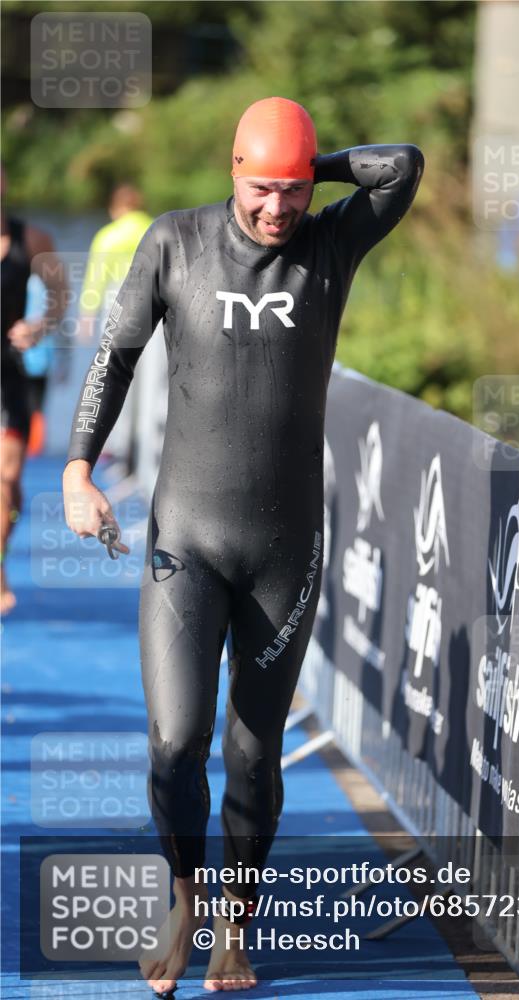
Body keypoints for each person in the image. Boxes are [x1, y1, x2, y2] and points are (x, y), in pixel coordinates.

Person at [62, 97, 423, 994]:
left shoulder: (330, 246)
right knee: (176, 740)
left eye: (292, 191)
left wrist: (313, 165)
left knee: (254, 752)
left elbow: (404, 164)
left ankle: (235, 928)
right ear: (231, 172)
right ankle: (186, 899)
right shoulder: (174, 243)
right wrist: (76, 469)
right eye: (262, 188)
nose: (277, 209)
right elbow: (113, 358)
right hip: (186, 537)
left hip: (284, 547)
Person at [1, 165, 68, 614]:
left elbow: (60, 292)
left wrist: (39, 326)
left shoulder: (33, 240)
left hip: (9, 374)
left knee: (7, 480)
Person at [78, 183, 153, 469]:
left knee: (114, 376)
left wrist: (87, 315)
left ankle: (116, 446)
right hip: (152, 308)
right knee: (149, 385)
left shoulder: (108, 236)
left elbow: (95, 280)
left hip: (117, 307)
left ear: (115, 208)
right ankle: (144, 448)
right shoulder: (153, 229)